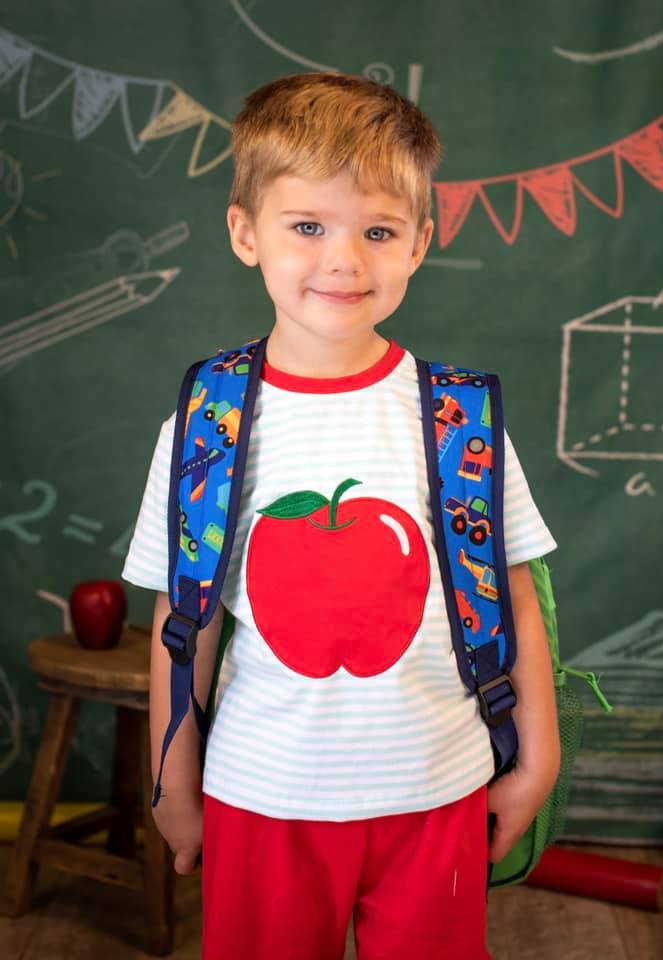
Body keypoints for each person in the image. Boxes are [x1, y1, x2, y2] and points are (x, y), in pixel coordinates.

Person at [122, 71, 560, 960]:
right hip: (262, 795)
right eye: (308, 226)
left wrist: (536, 762)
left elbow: (515, 599)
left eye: (379, 232)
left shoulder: (458, 418)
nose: (344, 261)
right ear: (247, 233)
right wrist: (171, 775)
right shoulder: (208, 423)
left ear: (419, 244)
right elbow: (183, 619)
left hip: (439, 789)